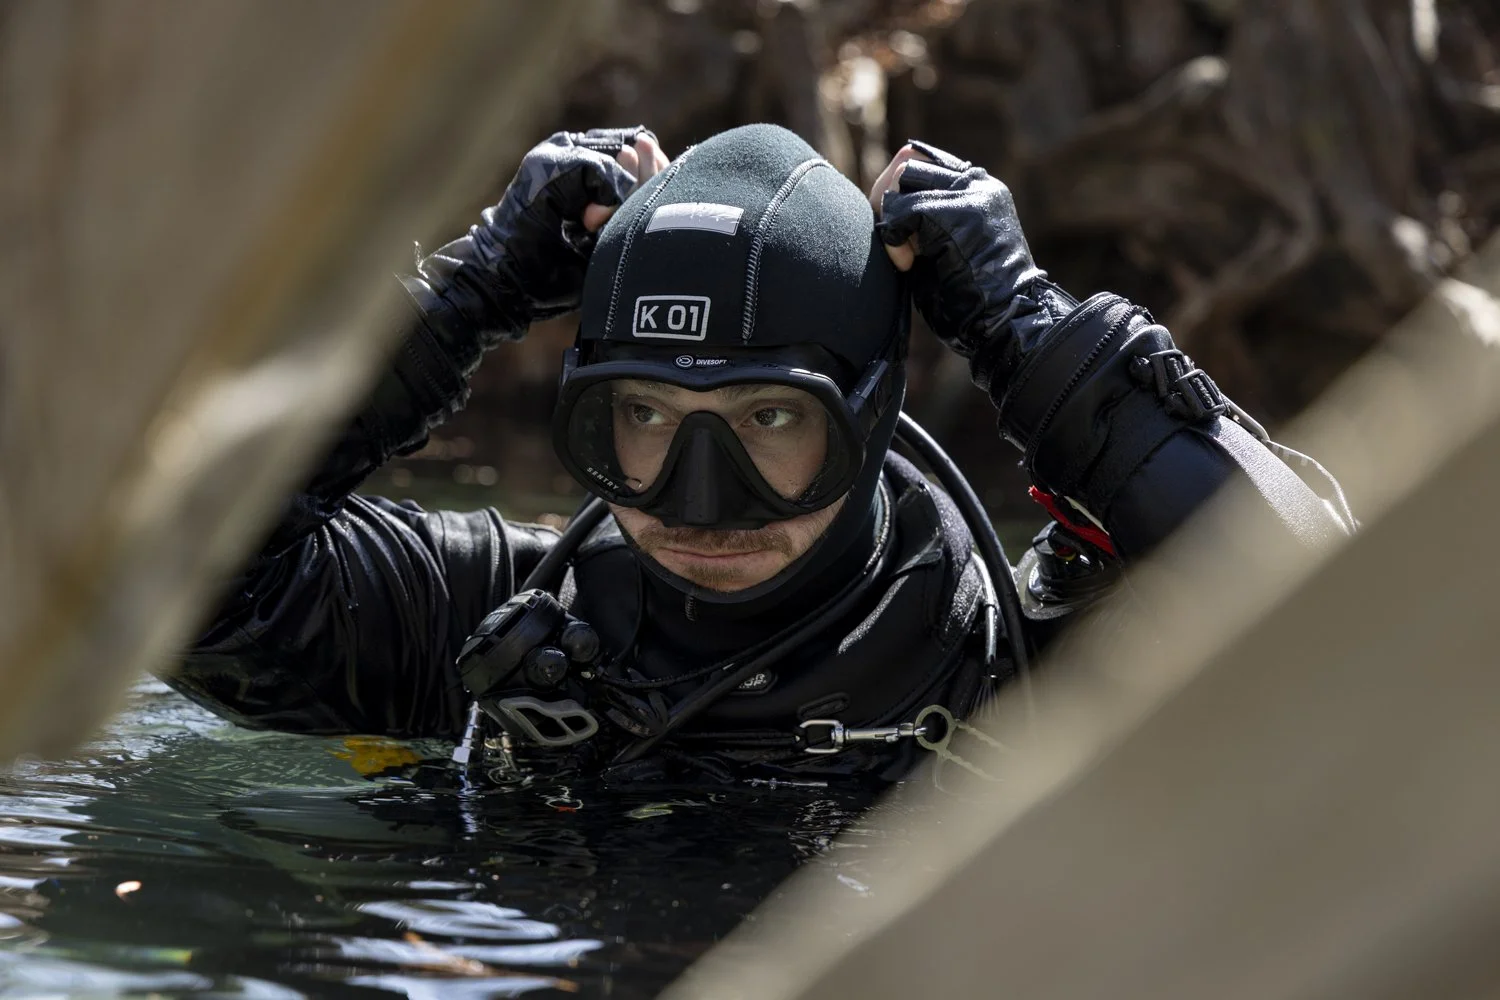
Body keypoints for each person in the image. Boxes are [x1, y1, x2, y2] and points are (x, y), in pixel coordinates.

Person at [168, 124, 1350, 783]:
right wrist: (466, 294)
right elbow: (158, 583)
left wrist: (1030, 331)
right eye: (642, 417)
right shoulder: (501, 631)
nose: (698, 501)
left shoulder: (1011, 669)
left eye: (770, 420)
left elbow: (1356, 635)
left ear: (871, 413)